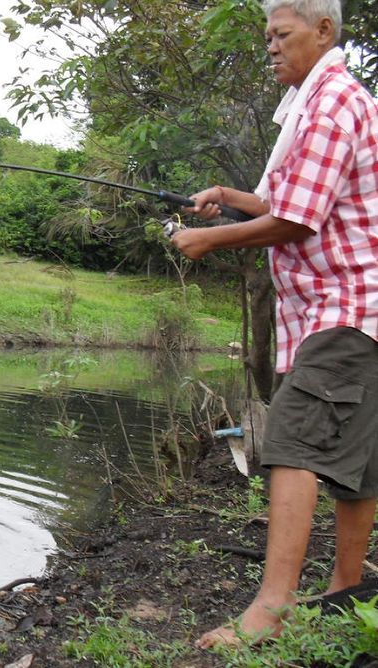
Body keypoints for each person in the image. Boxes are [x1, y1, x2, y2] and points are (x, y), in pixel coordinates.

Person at [171, 0, 378, 649]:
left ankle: (270, 608)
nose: (268, 47)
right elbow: (286, 200)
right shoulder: (312, 107)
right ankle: (347, 591)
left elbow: (296, 221)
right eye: (265, 36)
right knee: (356, 459)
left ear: (321, 31)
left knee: (289, 436)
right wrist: (229, 199)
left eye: (279, 34)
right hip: (342, 308)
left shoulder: (332, 103)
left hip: (346, 302)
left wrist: (209, 241)